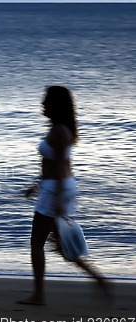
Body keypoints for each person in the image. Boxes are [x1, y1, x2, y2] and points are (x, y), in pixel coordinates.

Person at [18, 85, 109, 305]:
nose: (42, 104)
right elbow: (52, 165)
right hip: (57, 187)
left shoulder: (59, 131)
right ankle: (99, 279)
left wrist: (56, 197)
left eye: (46, 101)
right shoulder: (59, 129)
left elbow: (60, 167)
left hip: (56, 189)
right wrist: (36, 185)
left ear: (55, 105)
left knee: (36, 242)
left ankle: (39, 295)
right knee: (61, 245)